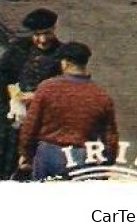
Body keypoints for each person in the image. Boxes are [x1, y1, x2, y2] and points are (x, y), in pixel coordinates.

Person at [0, 9, 64, 180]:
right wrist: (12, 94)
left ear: (55, 29)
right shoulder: (20, 48)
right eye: (37, 34)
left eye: (47, 33)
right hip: (10, 115)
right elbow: (0, 73)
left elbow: (66, 86)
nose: (42, 40)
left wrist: (38, 97)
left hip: (42, 119)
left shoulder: (62, 54)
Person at [17, 42, 119, 180]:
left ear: (64, 63)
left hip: (48, 153)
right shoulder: (101, 97)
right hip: (83, 157)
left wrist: (26, 154)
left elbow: (30, 127)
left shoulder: (47, 89)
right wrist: (107, 163)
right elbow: (111, 138)